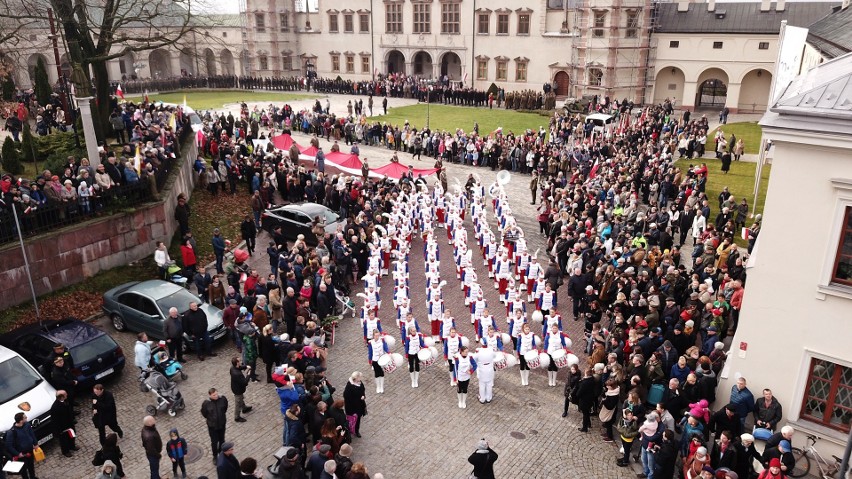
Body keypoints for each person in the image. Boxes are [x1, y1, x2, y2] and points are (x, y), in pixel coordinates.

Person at [5, 412, 38, 479]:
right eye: (25, 417)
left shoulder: (27, 425)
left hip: (29, 450)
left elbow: (32, 434)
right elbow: (9, 446)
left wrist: (35, 443)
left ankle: (33, 477)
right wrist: (17, 454)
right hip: (21, 454)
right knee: (23, 469)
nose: (26, 418)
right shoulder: (11, 432)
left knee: (31, 466)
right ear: (20, 420)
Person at [201, 387, 229, 459]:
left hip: (222, 424)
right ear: (210, 395)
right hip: (212, 427)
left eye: (216, 394)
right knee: (214, 442)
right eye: (214, 395)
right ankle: (215, 456)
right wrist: (211, 419)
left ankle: (221, 452)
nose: (216, 396)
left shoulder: (223, 399)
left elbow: (225, 408)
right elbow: (204, 413)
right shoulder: (206, 403)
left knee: (222, 440)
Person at [51, 390, 77, 457]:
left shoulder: (65, 401)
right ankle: (65, 451)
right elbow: (55, 420)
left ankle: (72, 446)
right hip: (62, 427)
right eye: (65, 394)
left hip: (69, 423)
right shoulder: (55, 407)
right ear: (61, 396)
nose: (67, 395)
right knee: (64, 440)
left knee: (72, 435)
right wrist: (59, 430)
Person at [343, 371, 367, 438]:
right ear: (356, 378)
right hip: (352, 407)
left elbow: (362, 390)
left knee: (358, 419)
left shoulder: (360, 383)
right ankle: (350, 430)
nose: (361, 379)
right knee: (351, 419)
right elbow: (347, 397)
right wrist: (359, 398)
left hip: (359, 405)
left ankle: (356, 431)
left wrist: (363, 395)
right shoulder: (349, 386)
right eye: (360, 377)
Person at [230, 357, 253, 423]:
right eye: (239, 361)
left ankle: (244, 408)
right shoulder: (237, 374)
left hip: (236, 387)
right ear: (237, 363)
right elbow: (245, 382)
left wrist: (245, 366)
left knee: (240, 398)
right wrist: (248, 375)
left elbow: (239, 367)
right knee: (238, 402)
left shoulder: (232, 368)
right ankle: (237, 417)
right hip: (238, 390)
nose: (240, 361)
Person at [575, 368, 597, 432]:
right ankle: (589, 424)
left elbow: (579, 393)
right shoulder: (592, 379)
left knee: (585, 414)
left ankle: (584, 427)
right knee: (587, 412)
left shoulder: (585, 382)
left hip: (584, 400)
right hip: (590, 399)